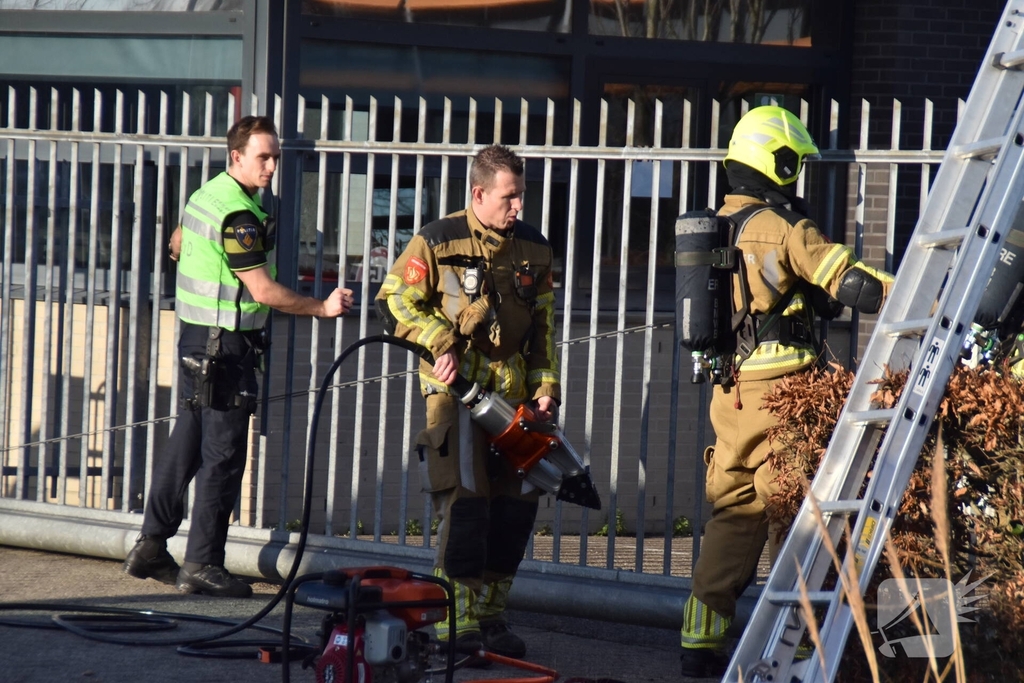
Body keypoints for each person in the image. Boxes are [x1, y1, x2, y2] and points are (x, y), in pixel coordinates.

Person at [678, 106, 894, 677]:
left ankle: (699, 640)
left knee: (735, 506)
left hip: (730, 394)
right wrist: (913, 290)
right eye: (793, 162)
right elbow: (850, 282)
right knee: (792, 510)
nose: (796, 172)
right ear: (774, 160)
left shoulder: (720, 221)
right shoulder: (783, 226)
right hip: (784, 395)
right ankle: (794, 639)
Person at [123, 115, 354, 598]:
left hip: (195, 340)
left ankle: (150, 545)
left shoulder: (207, 195)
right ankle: (203, 564)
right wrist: (321, 307)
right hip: (225, 350)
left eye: (275, 157)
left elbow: (177, 243)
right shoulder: (240, 216)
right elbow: (264, 290)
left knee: (186, 439)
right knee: (223, 457)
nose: (271, 166)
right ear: (237, 157)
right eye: (262, 157)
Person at [374, 144, 559, 661]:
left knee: (517, 509)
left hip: (515, 403)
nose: (517, 207)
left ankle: (492, 617)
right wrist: (440, 340)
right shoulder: (436, 240)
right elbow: (392, 301)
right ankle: (455, 622)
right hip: (454, 397)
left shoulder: (535, 249)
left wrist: (546, 391)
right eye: (509, 197)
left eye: (521, 195)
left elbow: (543, 330)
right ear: (479, 193)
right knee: (467, 506)